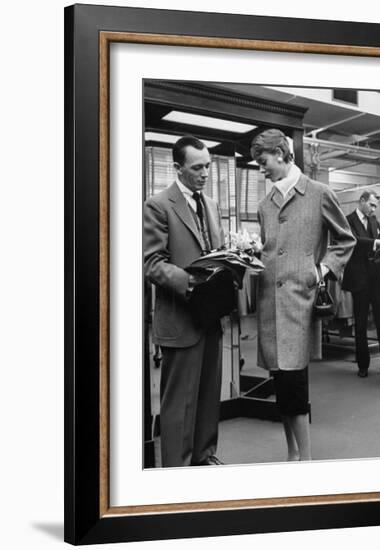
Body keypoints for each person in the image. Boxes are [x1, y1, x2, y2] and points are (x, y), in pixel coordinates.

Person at [251, 129, 355, 461]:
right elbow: (270, 247)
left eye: (263, 161)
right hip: (270, 303)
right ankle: (291, 453)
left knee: (294, 381)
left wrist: (320, 271)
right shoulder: (264, 205)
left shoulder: (319, 193)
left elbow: (345, 240)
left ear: (281, 153)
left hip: (299, 300)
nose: (261, 168)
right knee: (281, 382)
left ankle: (306, 460)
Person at [144, 135, 225, 467]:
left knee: (208, 395)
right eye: (197, 168)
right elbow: (152, 263)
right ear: (177, 168)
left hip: (210, 315)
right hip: (181, 316)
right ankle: (176, 470)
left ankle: (204, 457)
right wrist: (193, 282)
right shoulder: (158, 204)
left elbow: (212, 252)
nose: (205, 173)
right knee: (179, 402)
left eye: (207, 166)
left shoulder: (212, 206)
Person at [342, 190, 380, 377]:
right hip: (359, 278)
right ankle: (363, 366)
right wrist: (376, 242)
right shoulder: (348, 220)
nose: (374, 209)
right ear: (362, 201)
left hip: (375, 277)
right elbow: (352, 241)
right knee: (360, 324)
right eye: (372, 204)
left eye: (375, 206)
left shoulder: (374, 220)